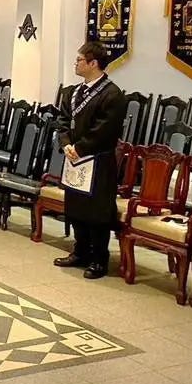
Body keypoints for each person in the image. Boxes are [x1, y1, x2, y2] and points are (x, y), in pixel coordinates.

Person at [53, 41, 127, 280]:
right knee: (76, 208)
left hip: (98, 161)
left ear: (93, 63)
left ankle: (99, 259)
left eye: (79, 60)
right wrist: (66, 143)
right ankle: (80, 251)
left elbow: (105, 129)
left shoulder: (112, 94)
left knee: (96, 212)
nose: (75, 63)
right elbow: (63, 121)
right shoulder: (73, 92)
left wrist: (80, 147)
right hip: (75, 159)